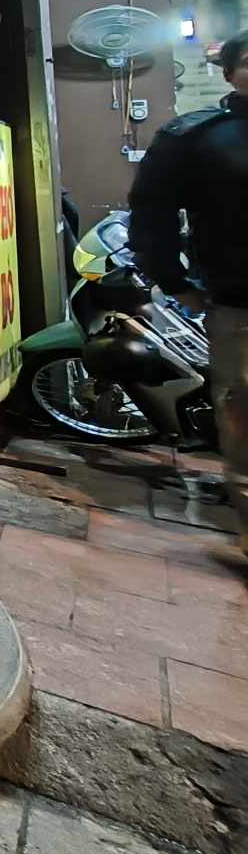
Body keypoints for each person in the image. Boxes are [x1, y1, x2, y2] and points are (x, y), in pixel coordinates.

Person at [128, 28, 248, 539]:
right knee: (244, 419)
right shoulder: (198, 136)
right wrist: (174, 281)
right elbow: (151, 214)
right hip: (242, 305)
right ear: (231, 73)